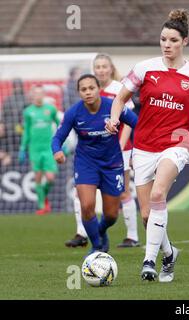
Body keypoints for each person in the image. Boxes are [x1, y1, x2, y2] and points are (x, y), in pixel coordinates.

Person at [105, 9, 189, 282]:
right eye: (163, 39)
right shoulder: (144, 68)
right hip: (143, 146)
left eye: (173, 40)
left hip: (177, 144)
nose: (167, 45)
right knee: (147, 216)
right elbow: (120, 99)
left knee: (158, 196)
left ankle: (148, 262)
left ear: (185, 42)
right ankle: (169, 254)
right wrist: (113, 119)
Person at [52, 74, 138, 255]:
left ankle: (99, 231)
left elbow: (137, 124)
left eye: (91, 88)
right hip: (86, 163)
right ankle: (98, 245)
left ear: (99, 89)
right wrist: (57, 151)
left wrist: (138, 150)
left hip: (112, 164)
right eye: (83, 89)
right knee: (87, 205)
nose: (88, 92)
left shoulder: (114, 106)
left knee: (112, 215)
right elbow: (58, 138)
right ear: (79, 93)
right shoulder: (73, 113)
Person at [19, 86, 60, 215]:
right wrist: (22, 148)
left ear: (43, 95)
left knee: (50, 178)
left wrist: (62, 142)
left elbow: (60, 125)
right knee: (37, 176)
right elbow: (26, 131)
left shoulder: (51, 109)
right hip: (34, 149)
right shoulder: (28, 112)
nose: (38, 96)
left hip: (48, 148)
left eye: (40, 93)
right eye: (35, 94)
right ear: (32, 96)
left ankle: (44, 195)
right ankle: (42, 205)